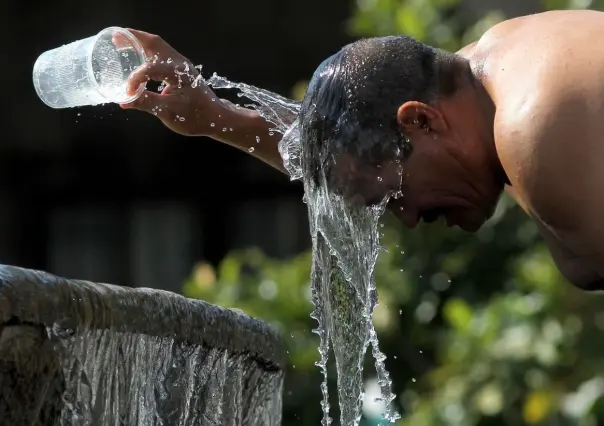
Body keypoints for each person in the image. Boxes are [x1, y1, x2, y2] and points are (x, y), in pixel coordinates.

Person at [120, 9, 604, 291]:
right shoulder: (496, 63)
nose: (409, 218)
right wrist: (216, 117)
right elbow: (351, 145)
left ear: (420, 120)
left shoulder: (537, 134)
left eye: (392, 195)